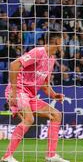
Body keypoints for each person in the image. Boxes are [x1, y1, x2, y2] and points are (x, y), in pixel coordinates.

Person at [1, 32, 69, 162]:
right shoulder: (38, 52)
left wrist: (54, 95)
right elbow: (14, 65)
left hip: (30, 95)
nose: (63, 45)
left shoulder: (52, 59)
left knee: (56, 115)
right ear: (57, 41)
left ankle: (51, 156)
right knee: (29, 118)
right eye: (62, 41)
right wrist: (14, 92)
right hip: (18, 89)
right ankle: (7, 156)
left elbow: (44, 85)